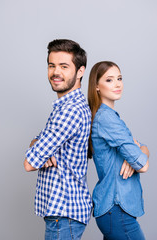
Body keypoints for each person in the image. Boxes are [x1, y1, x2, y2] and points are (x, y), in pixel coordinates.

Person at [24, 39, 92, 240]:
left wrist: (38, 150)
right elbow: (38, 143)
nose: (55, 72)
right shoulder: (65, 107)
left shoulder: (69, 111)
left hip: (64, 214)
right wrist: (39, 145)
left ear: (80, 71)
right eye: (51, 65)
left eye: (64, 66)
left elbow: (29, 163)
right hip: (64, 214)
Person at [88, 61, 149, 240]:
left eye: (119, 78)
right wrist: (138, 155)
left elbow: (140, 154)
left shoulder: (109, 117)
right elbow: (143, 165)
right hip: (116, 208)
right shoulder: (107, 119)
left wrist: (140, 151)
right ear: (97, 86)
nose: (117, 84)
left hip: (115, 210)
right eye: (109, 80)